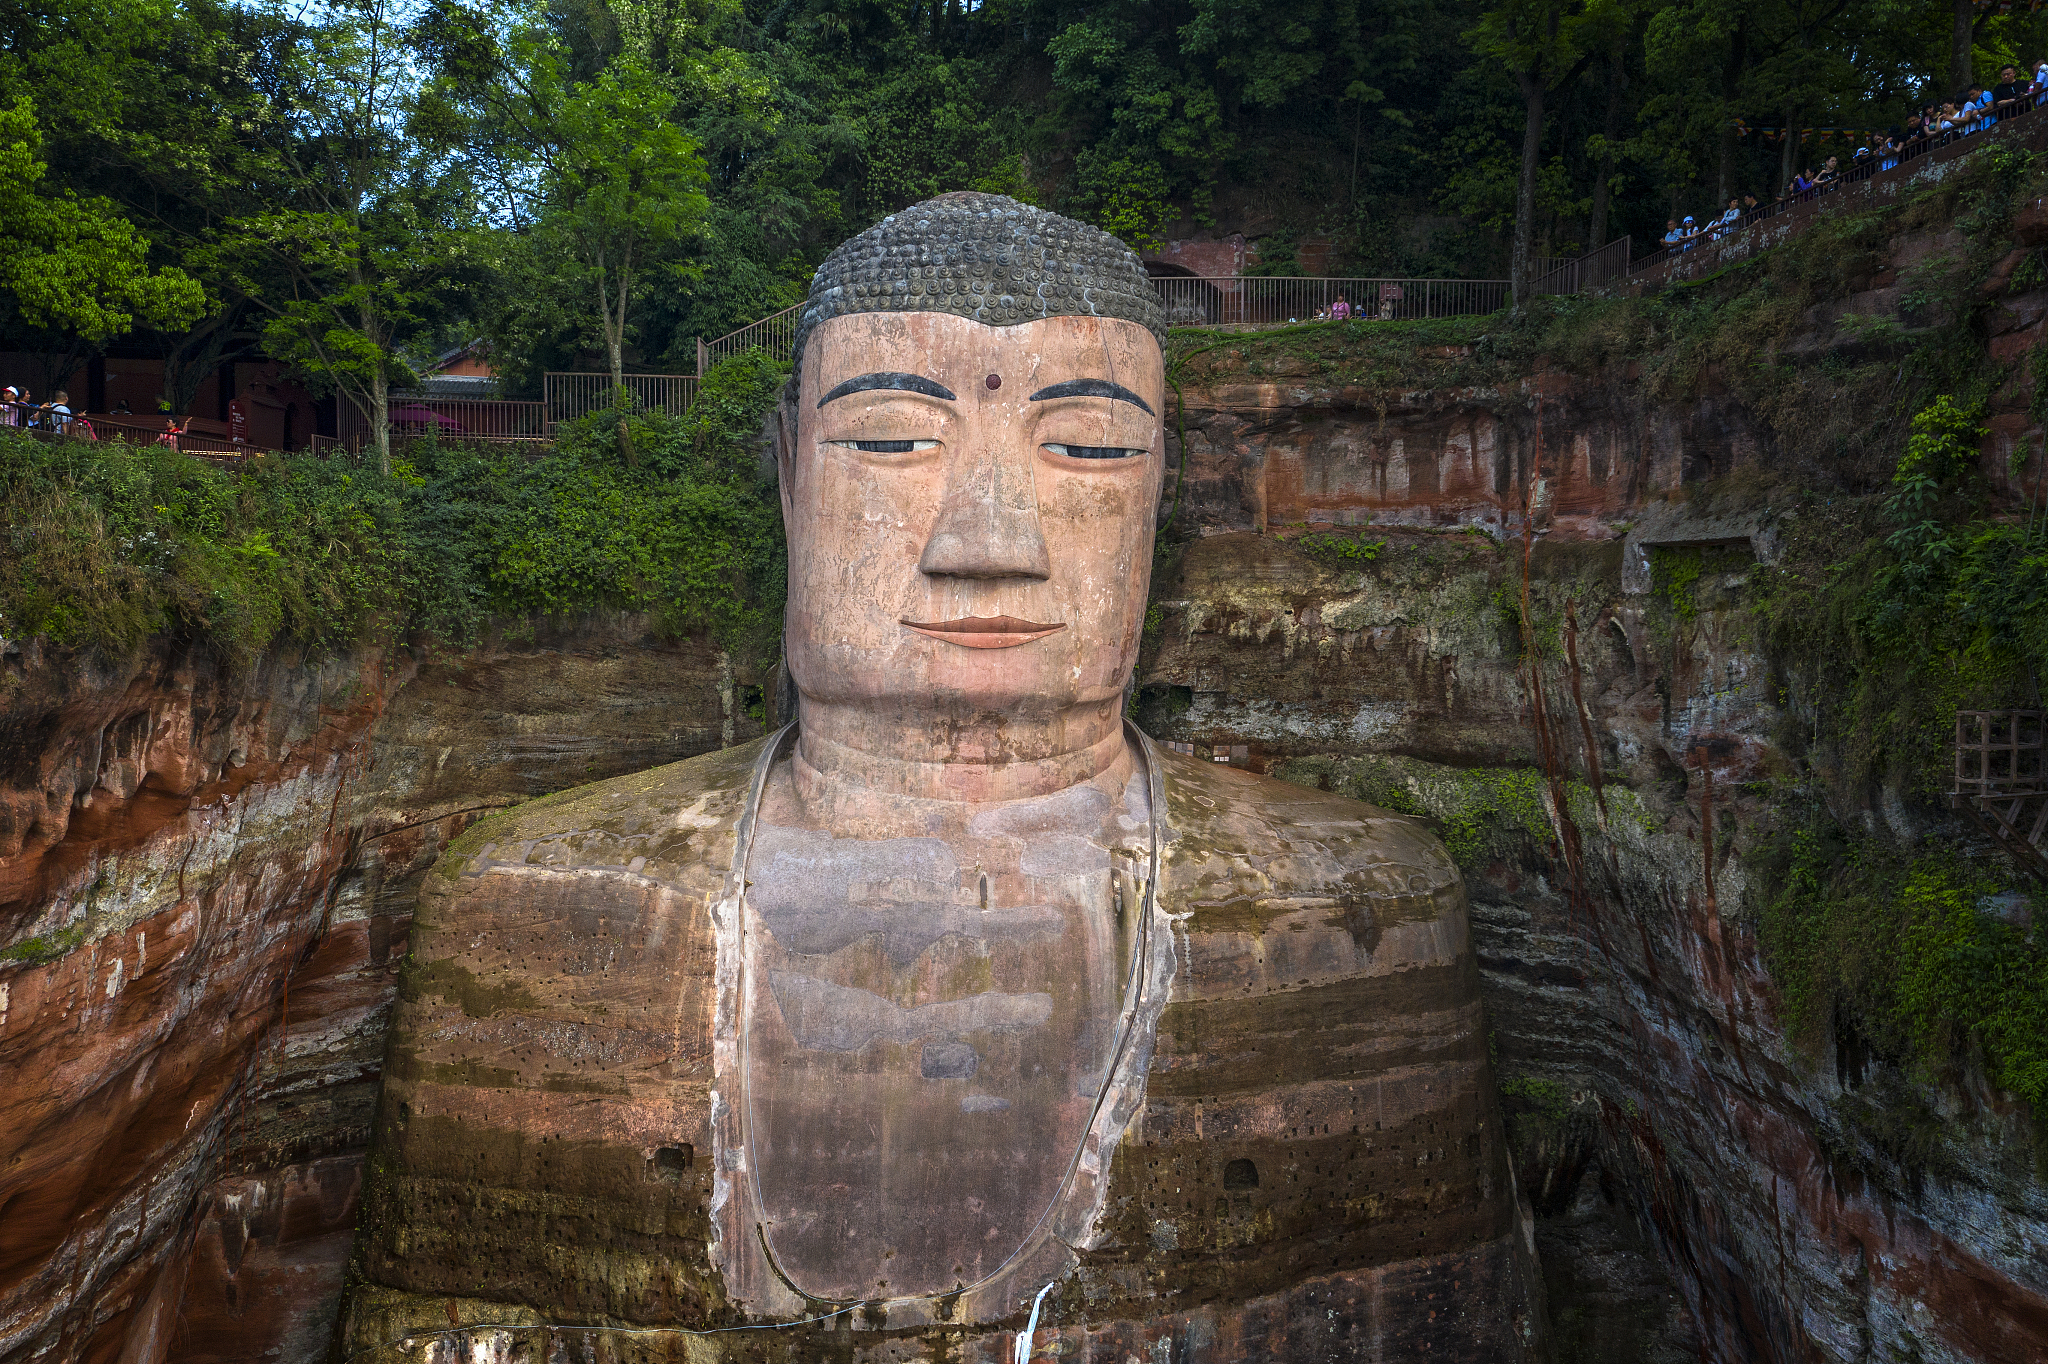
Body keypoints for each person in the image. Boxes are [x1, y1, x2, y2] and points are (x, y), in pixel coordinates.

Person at [343, 190, 1541, 1354]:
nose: (988, 544)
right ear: (787, 474)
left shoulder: (1344, 910)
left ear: (1161, 485)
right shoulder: (543, 907)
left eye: (1089, 445)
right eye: (890, 439)